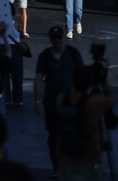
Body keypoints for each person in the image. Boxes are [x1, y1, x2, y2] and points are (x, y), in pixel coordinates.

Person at [35, 25, 85, 177]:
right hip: (51, 103)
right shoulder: (45, 56)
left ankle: (69, 164)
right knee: (53, 135)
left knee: (70, 135)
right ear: (50, 39)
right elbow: (38, 79)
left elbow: (82, 76)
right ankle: (57, 166)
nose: (57, 40)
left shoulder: (72, 53)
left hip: (70, 103)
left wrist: (82, 98)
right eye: (54, 38)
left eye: (59, 37)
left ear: (63, 38)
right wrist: (37, 100)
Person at [55, 65, 116, 180]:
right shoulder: (94, 103)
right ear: (89, 82)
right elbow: (112, 98)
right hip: (91, 160)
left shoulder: (61, 98)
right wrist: (103, 81)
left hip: (67, 159)